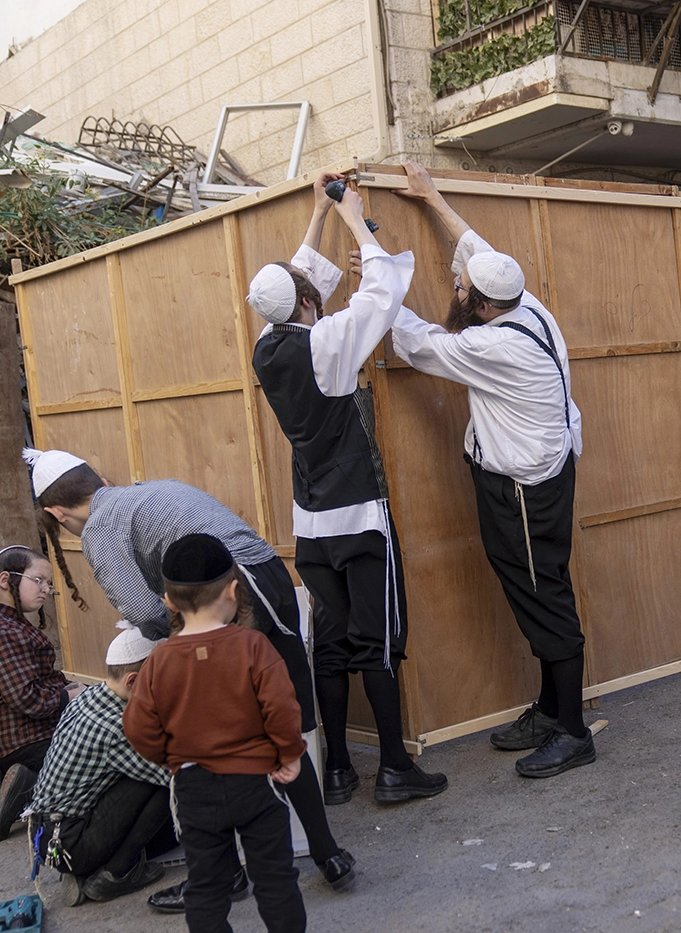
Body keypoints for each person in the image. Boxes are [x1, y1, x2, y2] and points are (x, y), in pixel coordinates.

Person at [24, 447, 354, 890]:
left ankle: (228, 874)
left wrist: (178, 646)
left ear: (56, 513)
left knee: (211, 742)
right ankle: (327, 854)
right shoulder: (148, 491)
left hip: (233, 599)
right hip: (270, 577)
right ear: (98, 479)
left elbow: (141, 607)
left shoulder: (99, 528)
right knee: (282, 734)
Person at [371, 161, 594, 778]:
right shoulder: (528, 307)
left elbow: (415, 343)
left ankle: (573, 730)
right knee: (533, 585)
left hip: (525, 488)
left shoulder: (492, 344)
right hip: (534, 472)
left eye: (460, 287)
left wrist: (377, 280)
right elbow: (480, 252)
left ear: (483, 302)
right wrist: (433, 198)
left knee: (542, 595)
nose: (454, 287)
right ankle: (551, 709)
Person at [246, 171, 446, 805]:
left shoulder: (265, 349)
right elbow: (381, 291)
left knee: (330, 644)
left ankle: (336, 773)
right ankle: (393, 768)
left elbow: (299, 287)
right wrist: (354, 216)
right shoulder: (329, 346)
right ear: (309, 307)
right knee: (378, 639)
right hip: (360, 516)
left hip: (310, 525)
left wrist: (316, 214)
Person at [124, 534, 307, 933]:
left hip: (193, 787)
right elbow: (281, 707)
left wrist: (172, 757)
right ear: (233, 589)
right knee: (275, 880)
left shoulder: (158, 662)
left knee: (206, 887)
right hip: (255, 782)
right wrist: (288, 754)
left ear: (168, 602)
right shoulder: (253, 646)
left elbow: (138, 727)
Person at [28, 626, 192, 907]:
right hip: (71, 843)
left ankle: (90, 870)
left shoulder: (90, 698)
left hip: (50, 833)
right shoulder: (118, 729)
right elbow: (176, 774)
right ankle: (116, 874)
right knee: (171, 784)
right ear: (132, 681)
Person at [0, 545, 81, 841]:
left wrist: (72, 689)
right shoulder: (2, 633)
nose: (46, 590)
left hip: (24, 739)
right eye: (38, 580)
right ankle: (31, 789)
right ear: (5, 581)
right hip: (28, 739)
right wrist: (69, 697)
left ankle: (25, 785)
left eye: (48, 584)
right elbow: (28, 700)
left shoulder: (9, 625)